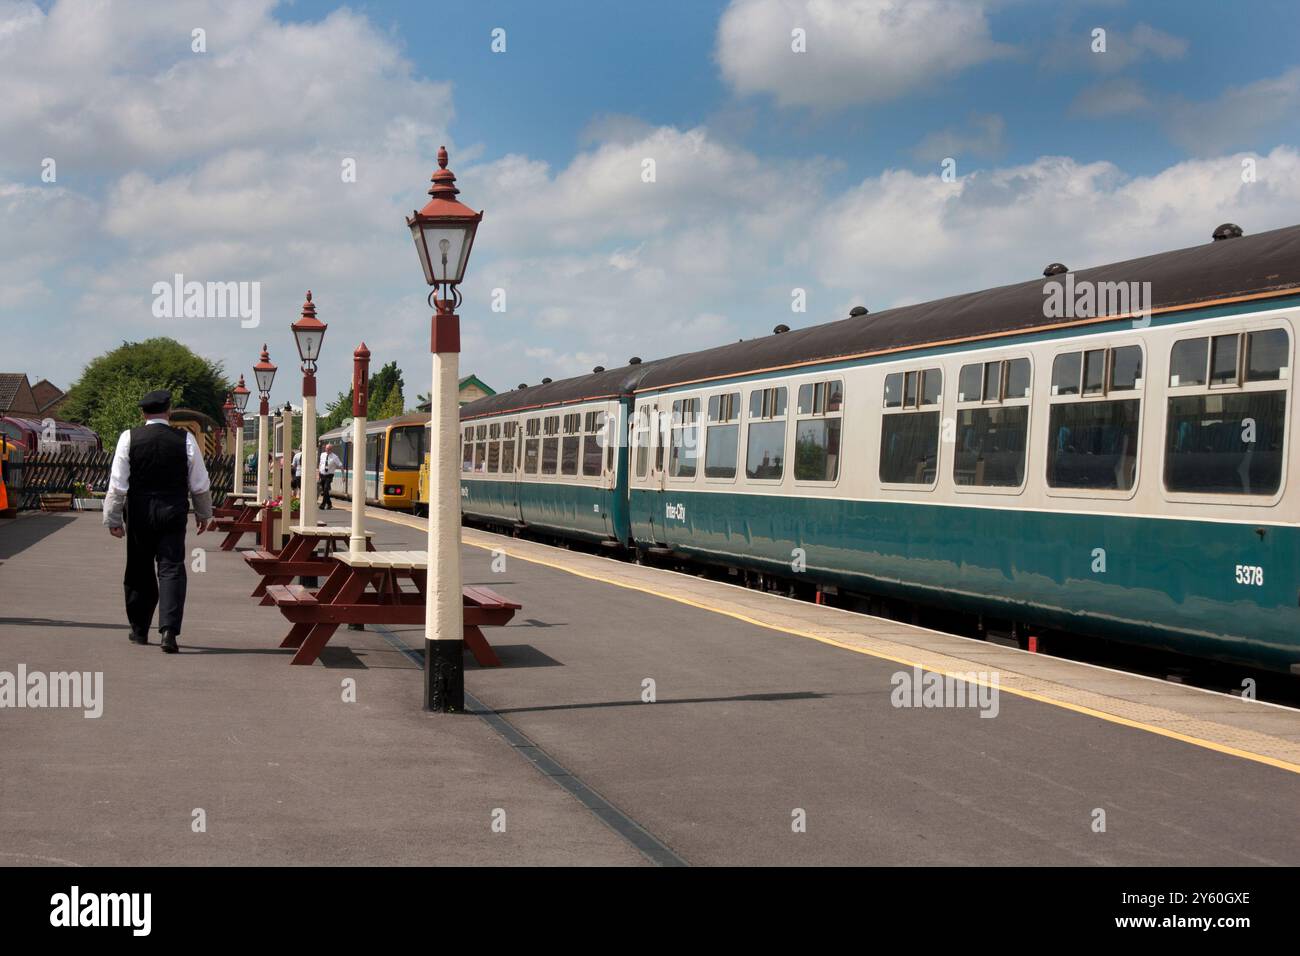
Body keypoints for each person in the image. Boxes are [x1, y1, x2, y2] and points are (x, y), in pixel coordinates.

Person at [103, 389, 215, 653]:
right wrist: (203, 514)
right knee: (172, 568)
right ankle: (168, 631)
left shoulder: (128, 438)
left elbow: (118, 483)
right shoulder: (185, 439)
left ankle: (140, 630)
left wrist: (113, 518)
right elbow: (199, 482)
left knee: (138, 569)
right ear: (169, 411)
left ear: (143, 413)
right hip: (173, 510)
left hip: (140, 511)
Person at [318, 443, 343, 510]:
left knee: (326, 489)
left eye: (329, 449)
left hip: (329, 475)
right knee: (324, 490)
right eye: (326, 448)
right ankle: (329, 504)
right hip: (322, 474)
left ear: (331, 449)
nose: (327, 450)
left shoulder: (335, 457)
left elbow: (341, 465)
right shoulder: (322, 455)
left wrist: (343, 476)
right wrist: (318, 474)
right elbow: (320, 464)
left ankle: (323, 505)